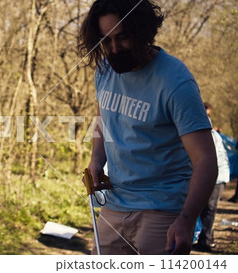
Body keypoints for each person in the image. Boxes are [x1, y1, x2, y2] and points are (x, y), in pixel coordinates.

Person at [78, 0, 217, 255]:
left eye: (122, 37)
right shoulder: (105, 69)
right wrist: (97, 158)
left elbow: (206, 160)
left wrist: (186, 220)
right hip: (114, 206)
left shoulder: (176, 81)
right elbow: (102, 118)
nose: (114, 48)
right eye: (106, 40)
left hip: (163, 212)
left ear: (143, 31)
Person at [192, 103, 230, 252]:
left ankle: (206, 241)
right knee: (204, 208)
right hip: (214, 175)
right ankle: (206, 238)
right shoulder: (208, 133)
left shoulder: (208, 136)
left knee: (209, 209)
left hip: (218, 176)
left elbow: (205, 158)